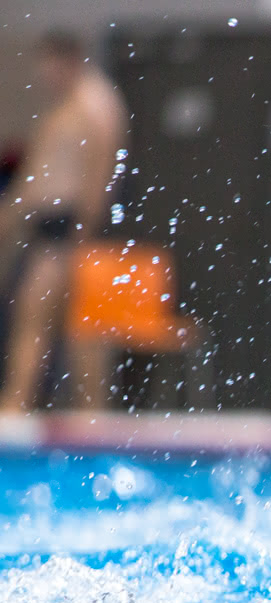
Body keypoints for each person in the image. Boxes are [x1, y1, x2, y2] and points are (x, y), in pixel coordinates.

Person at [0, 31, 126, 414]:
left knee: (50, 320)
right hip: (54, 227)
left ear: (70, 61)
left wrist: (82, 235)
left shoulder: (94, 103)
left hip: (69, 231)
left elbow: (102, 174)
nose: (45, 77)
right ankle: (77, 408)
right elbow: (37, 178)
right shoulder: (68, 105)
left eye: (50, 67)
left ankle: (23, 402)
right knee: (66, 323)